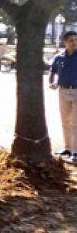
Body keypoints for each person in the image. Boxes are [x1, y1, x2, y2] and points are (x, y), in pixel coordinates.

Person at [49, 30, 77, 162]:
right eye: (71, 40)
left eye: (76, 40)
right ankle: (67, 148)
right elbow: (53, 72)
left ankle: (75, 151)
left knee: (75, 122)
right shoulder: (59, 57)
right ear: (65, 42)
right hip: (63, 91)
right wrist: (52, 82)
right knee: (65, 120)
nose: (74, 43)